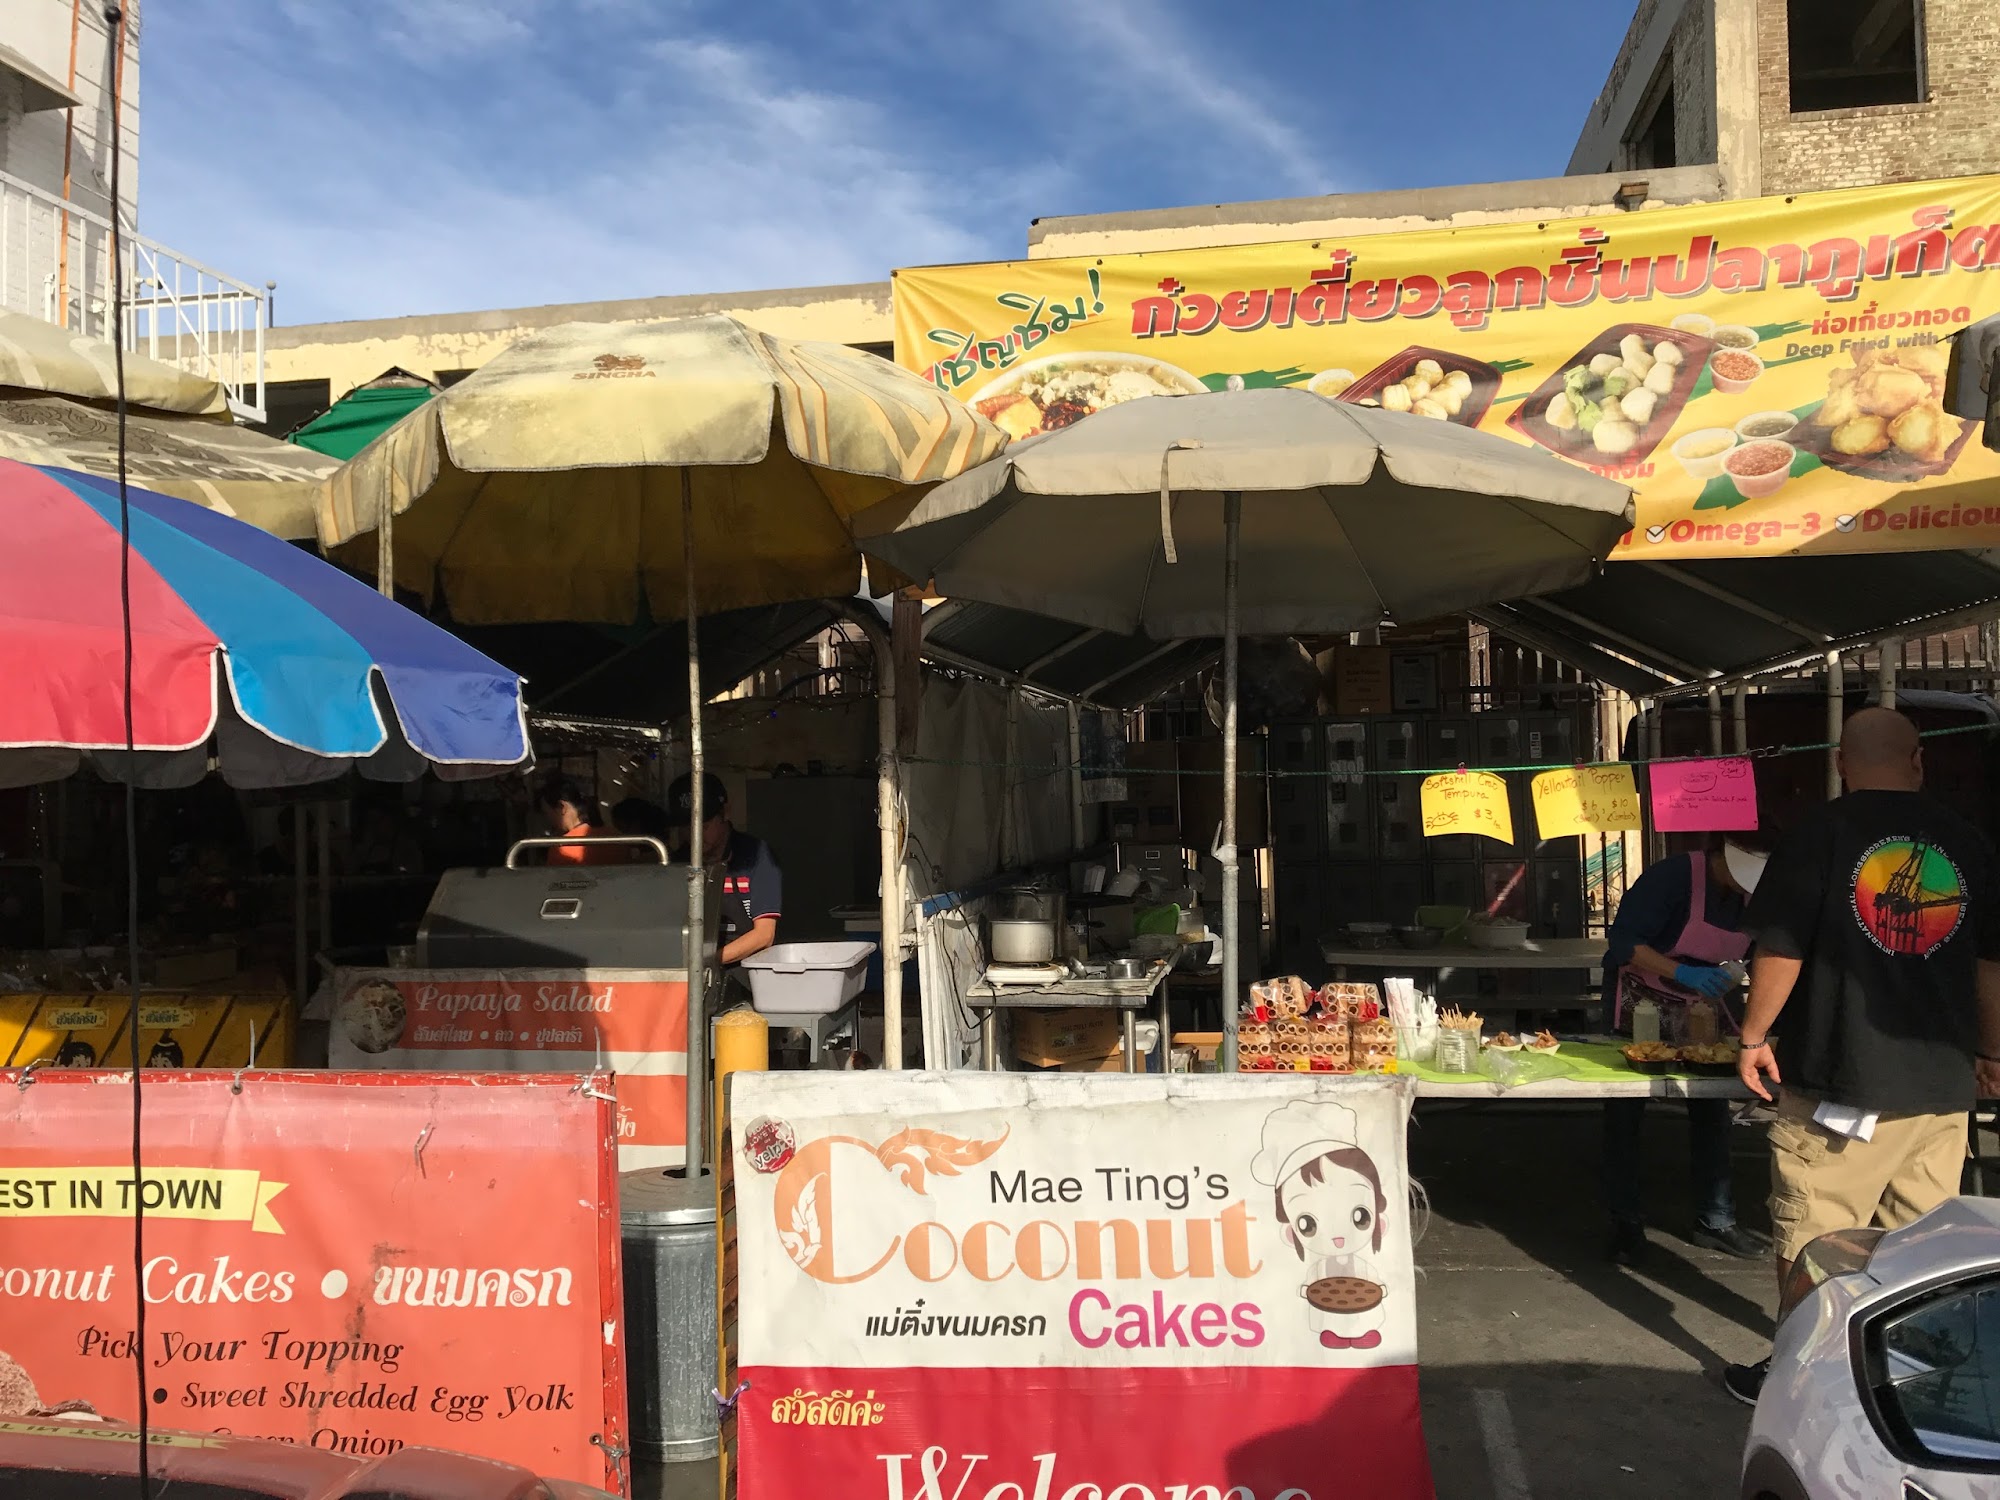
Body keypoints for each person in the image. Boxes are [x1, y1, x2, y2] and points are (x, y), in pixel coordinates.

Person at [1723, 707, 2000, 1406]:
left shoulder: (1818, 834)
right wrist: (1993, 1052)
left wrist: (1753, 1038)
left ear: (1842, 762)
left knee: (1817, 1237)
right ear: (1918, 762)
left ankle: (1801, 1379)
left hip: (1838, 1077)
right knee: (1923, 1245)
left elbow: (1780, 946)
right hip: (1939, 1085)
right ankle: (1911, 1379)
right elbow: (1991, 968)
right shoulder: (1969, 843)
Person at [1600, 834, 1773, 1265]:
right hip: (1640, 1003)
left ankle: (1716, 1220)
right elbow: (1624, 943)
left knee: (1712, 1110)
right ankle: (1625, 1222)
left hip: (1705, 1009)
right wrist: (1681, 971)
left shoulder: (1754, 896)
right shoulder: (1672, 878)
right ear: (1721, 855)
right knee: (1626, 1112)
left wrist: (1734, 975)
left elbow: (1765, 950)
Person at [667, 771, 781, 968]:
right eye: (686, 827)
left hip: (746, 970)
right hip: (689, 970)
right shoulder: (676, 864)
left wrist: (707, 960)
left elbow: (764, 935)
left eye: (703, 824)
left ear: (725, 812)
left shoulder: (756, 855)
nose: (694, 834)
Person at [536, 776, 619, 866]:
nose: (548, 819)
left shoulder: (562, 849)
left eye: (547, 813)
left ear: (562, 807)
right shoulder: (617, 838)